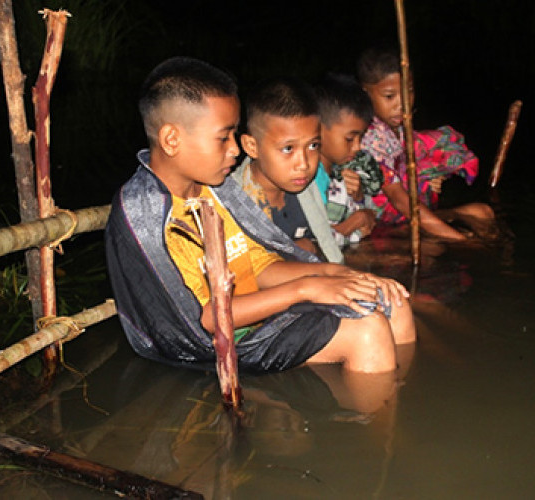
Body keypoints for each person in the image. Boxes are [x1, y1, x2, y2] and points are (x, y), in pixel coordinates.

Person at [105, 57, 415, 377]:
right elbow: (206, 319)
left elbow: (258, 265)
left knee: (391, 302)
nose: (234, 150)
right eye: (223, 137)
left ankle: (399, 405)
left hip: (259, 310)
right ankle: (377, 425)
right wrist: (306, 288)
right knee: (367, 331)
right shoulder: (151, 217)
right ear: (172, 140)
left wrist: (335, 275)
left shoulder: (212, 191)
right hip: (222, 339)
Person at [357, 47, 496, 241]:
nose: (403, 104)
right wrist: (459, 240)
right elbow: (399, 199)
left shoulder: (398, 130)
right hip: (388, 225)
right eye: (390, 97)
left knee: (482, 212)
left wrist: (430, 179)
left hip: (409, 216)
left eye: (409, 92)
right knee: (438, 247)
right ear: (365, 93)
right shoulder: (371, 137)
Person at [232, 77, 344, 263]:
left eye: (313, 145)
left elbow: (327, 245)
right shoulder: (233, 202)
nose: (304, 164)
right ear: (252, 146)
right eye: (288, 149)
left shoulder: (307, 189)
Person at [313, 73, 382, 247]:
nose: (358, 147)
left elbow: (372, 213)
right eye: (350, 139)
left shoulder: (344, 168)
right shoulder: (309, 178)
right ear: (318, 130)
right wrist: (353, 224)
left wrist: (358, 197)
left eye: (361, 137)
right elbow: (314, 244)